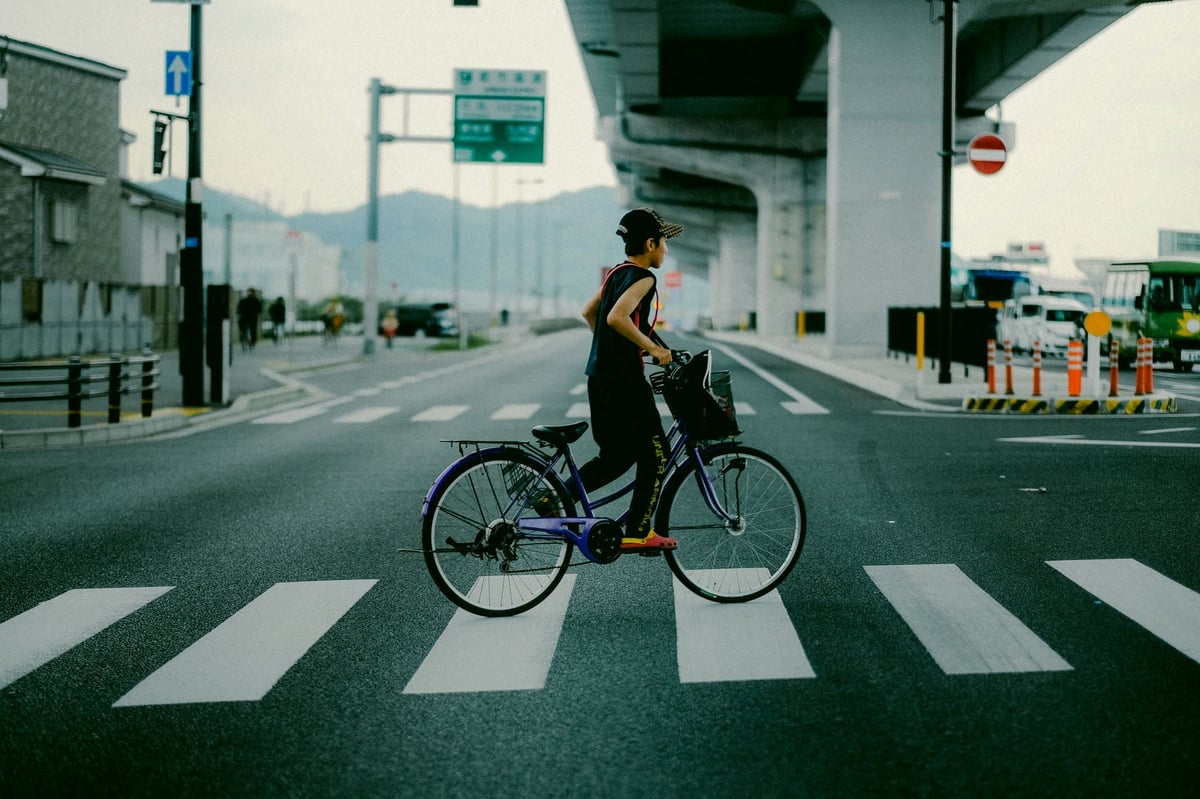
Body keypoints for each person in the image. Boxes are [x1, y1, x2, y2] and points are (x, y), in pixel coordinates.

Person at [576, 208, 682, 554]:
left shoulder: (615, 274)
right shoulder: (644, 278)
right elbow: (617, 317)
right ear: (650, 244)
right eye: (663, 242)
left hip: (599, 378)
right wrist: (652, 348)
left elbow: (589, 313)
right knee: (658, 454)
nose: (665, 250)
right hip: (624, 382)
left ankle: (554, 496)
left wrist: (612, 347)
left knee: (616, 457)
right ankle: (638, 530)